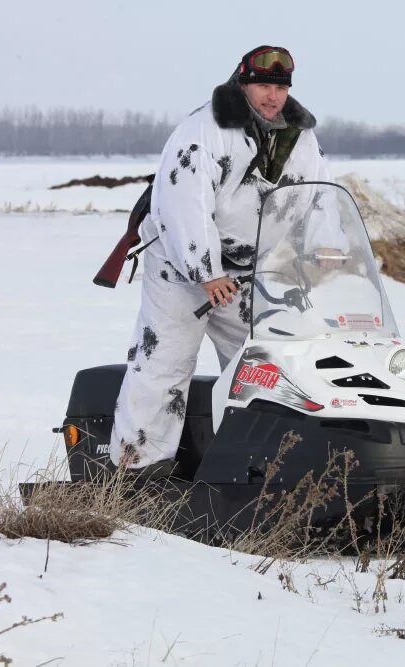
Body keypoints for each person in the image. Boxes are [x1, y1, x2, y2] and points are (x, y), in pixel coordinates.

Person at [110, 45, 335, 476]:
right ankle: (137, 471)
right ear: (243, 84)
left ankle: (263, 468)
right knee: (165, 362)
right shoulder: (206, 129)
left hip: (247, 273)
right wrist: (207, 273)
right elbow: (184, 204)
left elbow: (319, 194)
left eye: (279, 88)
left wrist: (325, 253)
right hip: (181, 269)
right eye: (263, 86)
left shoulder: (299, 136)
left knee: (261, 367)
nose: (272, 96)